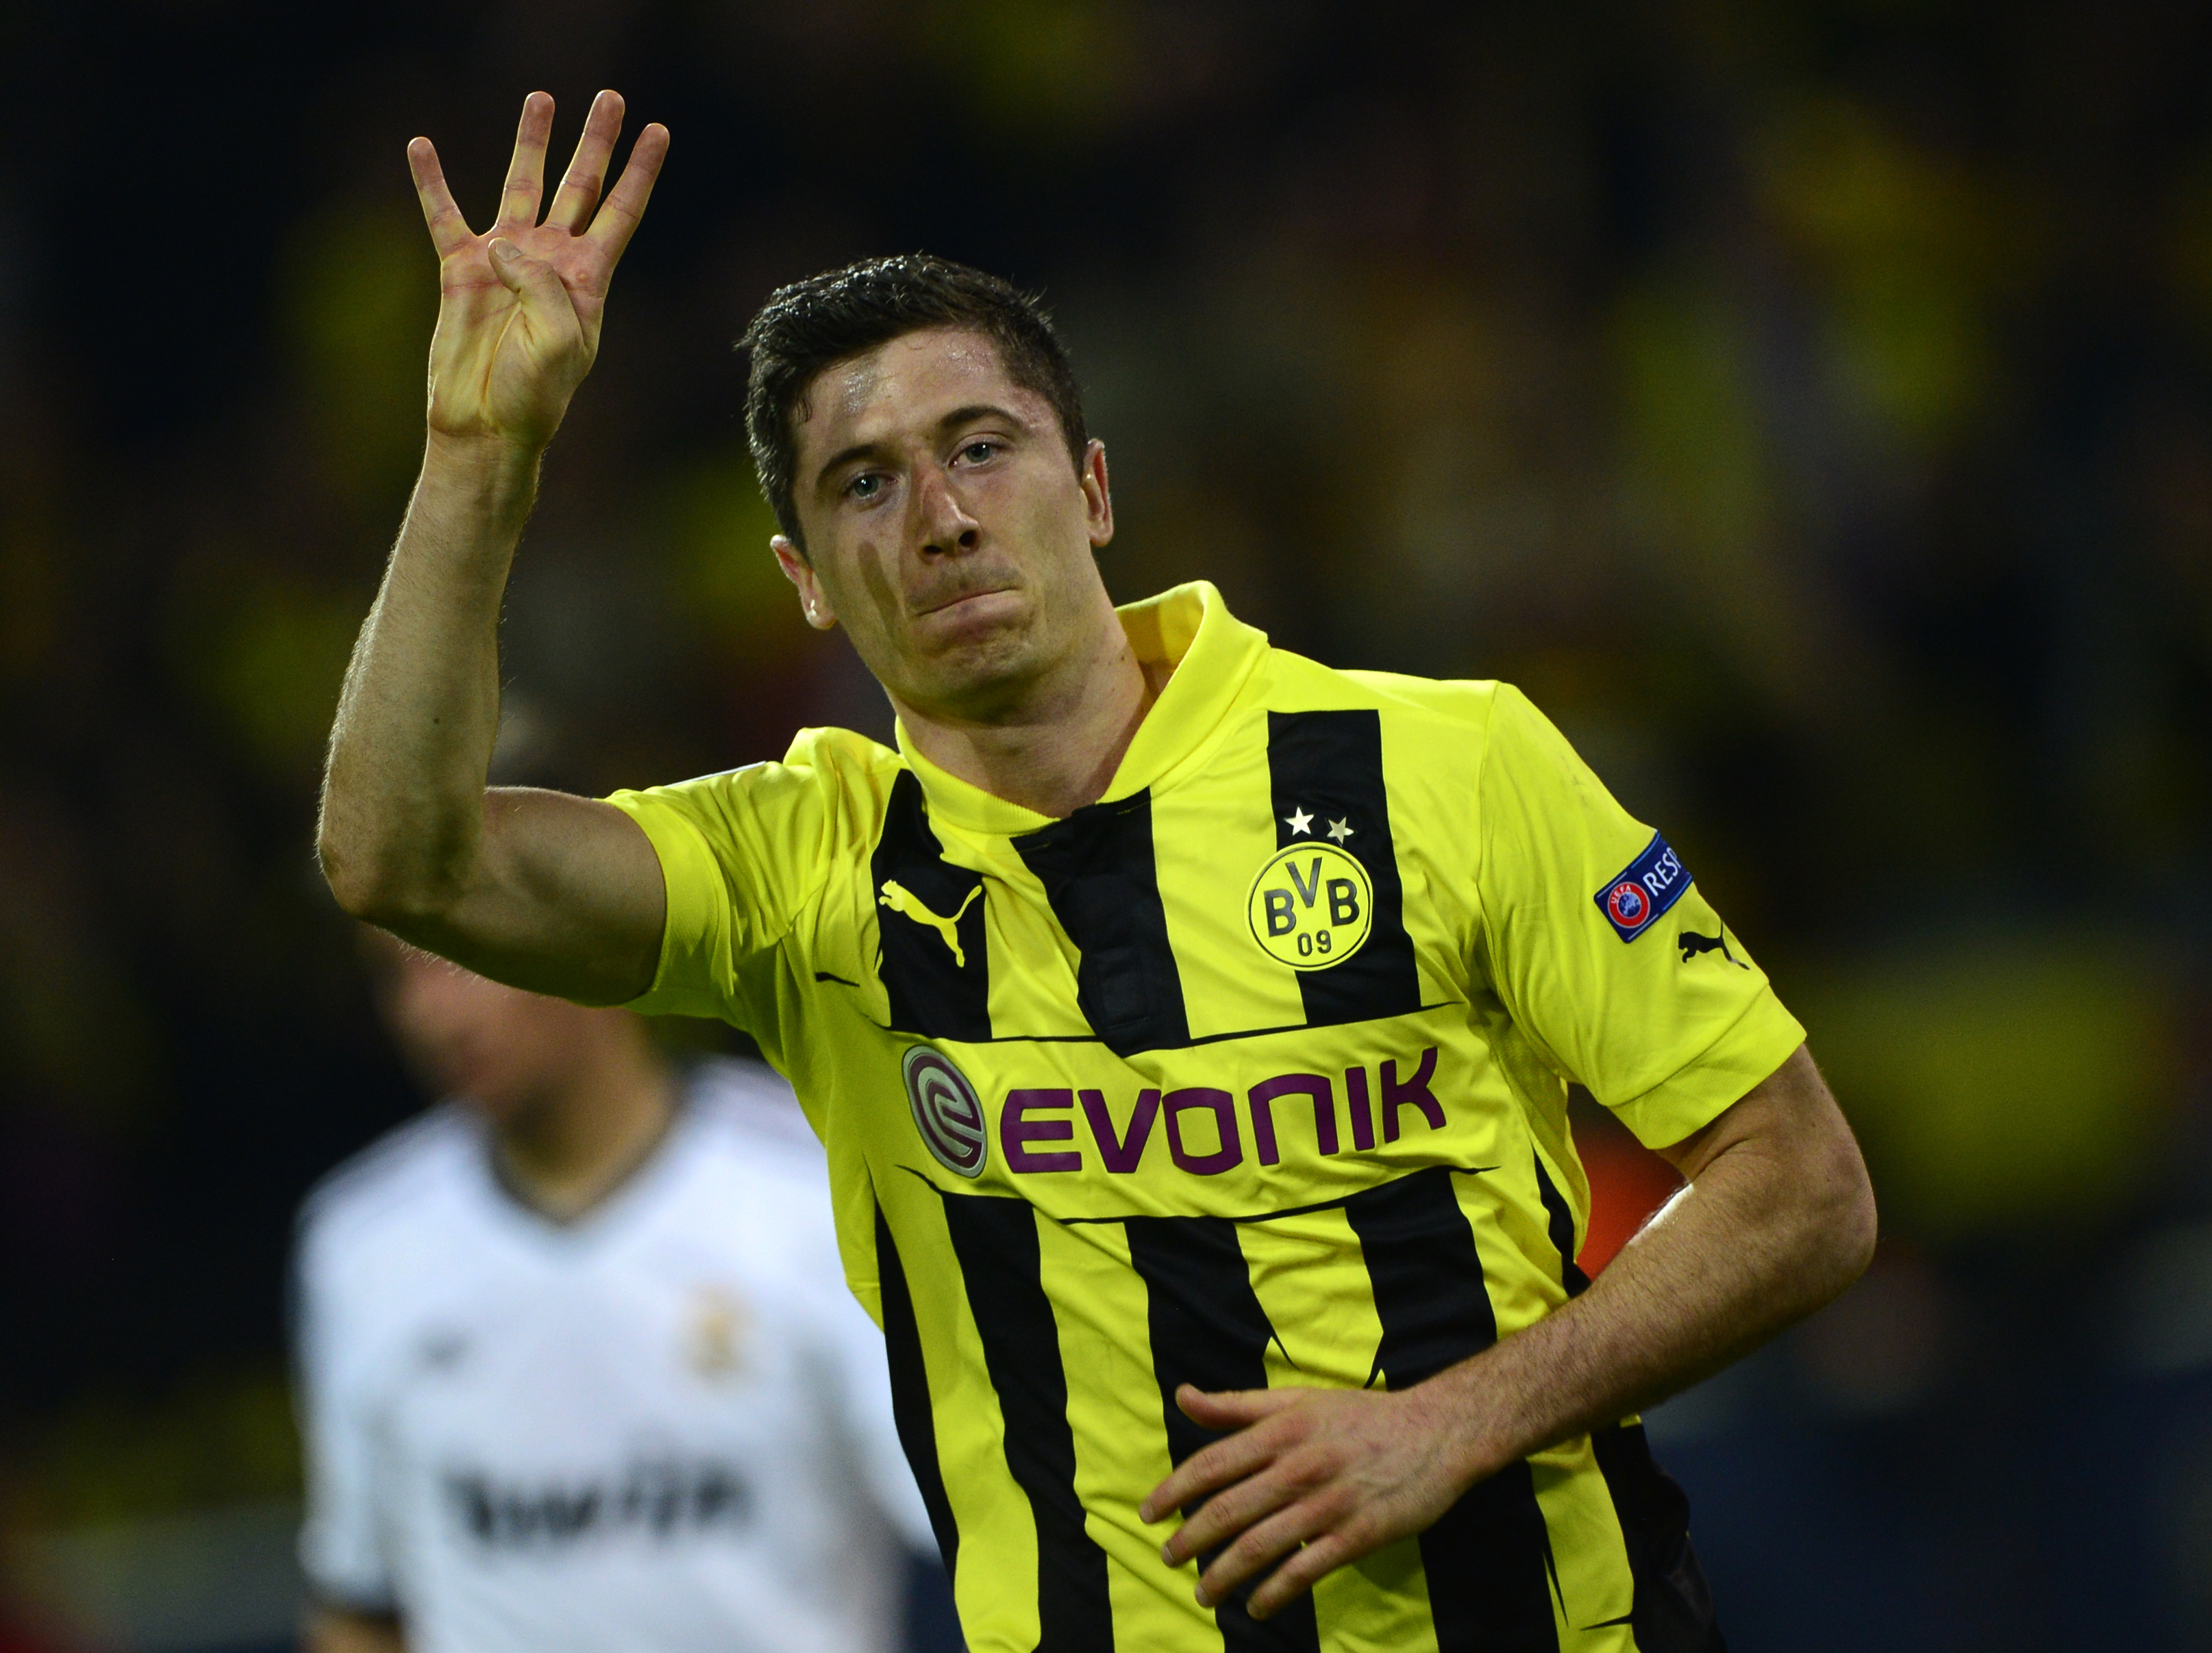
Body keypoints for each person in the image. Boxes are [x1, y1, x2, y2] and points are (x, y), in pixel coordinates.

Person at [317, 87, 1878, 1651]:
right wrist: (477, 451)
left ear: (1097, 489)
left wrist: (1464, 1413)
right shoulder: (802, 866)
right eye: (863, 481)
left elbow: (1800, 1186)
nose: (938, 516)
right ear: (800, 579)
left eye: (980, 447)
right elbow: (397, 855)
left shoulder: (1442, 763)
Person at [292, 933, 945, 1653]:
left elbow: (995, 1538)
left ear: (582, 935)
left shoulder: (818, 1189)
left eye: (460, 963)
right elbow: (362, 1610)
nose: (430, 1015)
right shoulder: (362, 1243)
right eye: (394, 975)